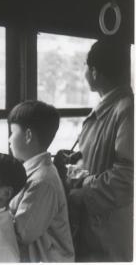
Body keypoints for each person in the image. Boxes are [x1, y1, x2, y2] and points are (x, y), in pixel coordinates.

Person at [66, 39, 133, 261]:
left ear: (94, 72)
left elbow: (128, 178)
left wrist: (82, 191)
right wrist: (76, 160)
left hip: (111, 232)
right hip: (96, 227)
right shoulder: (113, 106)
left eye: (85, 65)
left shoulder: (127, 110)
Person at [8, 100, 74, 262]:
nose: (9, 140)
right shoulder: (30, 171)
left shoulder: (43, 181)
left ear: (28, 136)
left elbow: (21, 233)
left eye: (12, 133)